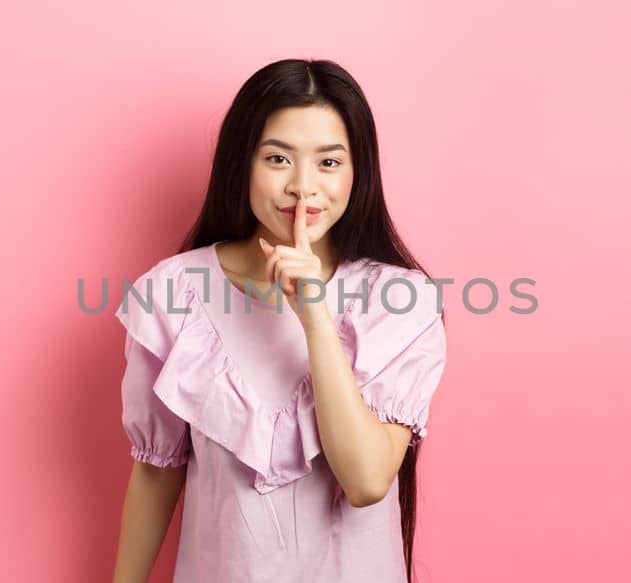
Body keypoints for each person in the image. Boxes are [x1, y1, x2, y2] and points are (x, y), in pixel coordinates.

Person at [111, 58, 448, 583]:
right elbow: (156, 473)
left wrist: (314, 316)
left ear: (358, 173)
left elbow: (365, 481)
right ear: (241, 164)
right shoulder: (171, 291)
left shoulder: (400, 299)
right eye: (278, 159)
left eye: (329, 163)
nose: (303, 187)